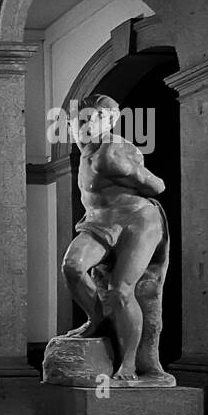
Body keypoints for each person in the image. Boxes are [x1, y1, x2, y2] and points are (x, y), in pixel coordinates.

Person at [60, 93, 169, 382]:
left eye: (90, 120)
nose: (81, 126)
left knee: (122, 290)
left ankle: (130, 364)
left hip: (137, 220)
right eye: (77, 121)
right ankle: (97, 320)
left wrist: (131, 173)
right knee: (72, 267)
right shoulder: (86, 152)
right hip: (99, 222)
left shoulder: (115, 151)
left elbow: (158, 186)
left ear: (108, 121)